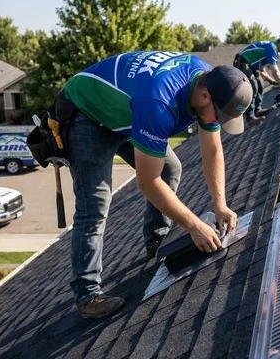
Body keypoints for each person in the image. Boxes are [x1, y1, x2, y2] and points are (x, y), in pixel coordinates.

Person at [60, 51, 253, 319]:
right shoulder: (159, 103)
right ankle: (87, 295)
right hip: (88, 114)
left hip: (126, 110)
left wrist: (220, 204)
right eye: (219, 117)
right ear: (205, 96)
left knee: (171, 167)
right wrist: (193, 225)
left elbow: (213, 150)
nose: (217, 124)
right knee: (95, 206)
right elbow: (148, 182)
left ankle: (156, 241)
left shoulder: (211, 81)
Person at [233, 35, 280, 122]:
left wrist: (271, 80)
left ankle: (257, 111)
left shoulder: (272, 48)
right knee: (253, 87)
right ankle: (250, 117)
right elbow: (275, 71)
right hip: (243, 62)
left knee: (260, 84)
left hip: (251, 65)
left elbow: (261, 69)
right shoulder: (272, 48)